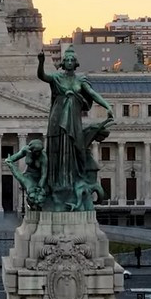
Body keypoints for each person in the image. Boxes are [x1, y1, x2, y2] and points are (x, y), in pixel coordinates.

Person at [37, 48, 115, 212]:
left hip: (73, 120)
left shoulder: (81, 80)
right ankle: (55, 184)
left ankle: (74, 180)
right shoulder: (57, 77)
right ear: (63, 63)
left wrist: (108, 106)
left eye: (73, 60)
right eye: (67, 60)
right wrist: (41, 62)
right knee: (56, 150)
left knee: (77, 148)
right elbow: (42, 76)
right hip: (57, 118)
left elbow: (92, 94)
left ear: (76, 63)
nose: (70, 62)